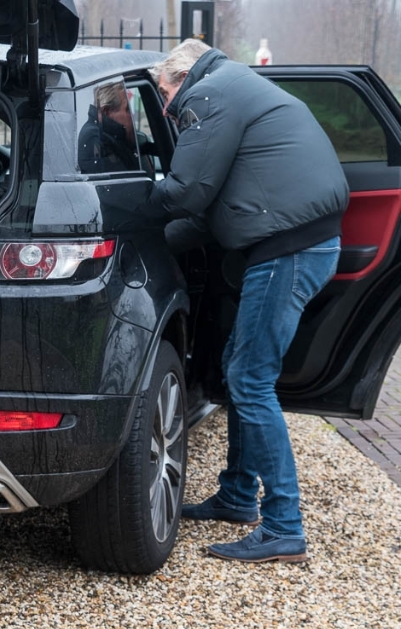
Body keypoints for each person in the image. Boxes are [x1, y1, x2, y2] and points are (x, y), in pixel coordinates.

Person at [145, 39, 348, 563]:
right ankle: (237, 497)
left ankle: (285, 526)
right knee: (241, 370)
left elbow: (186, 191)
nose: (166, 109)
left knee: (250, 379)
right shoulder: (235, 87)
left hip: (288, 250)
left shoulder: (209, 95)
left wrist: (135, 209)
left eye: (165, 94)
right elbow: (208, 210)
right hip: (299, 242)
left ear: (182, 75)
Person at [77, 81, 142, 174]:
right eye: (127, 109)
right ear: (106, 111)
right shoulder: (94, 137)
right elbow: (120, 182)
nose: (131, 115)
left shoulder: (112, 136)